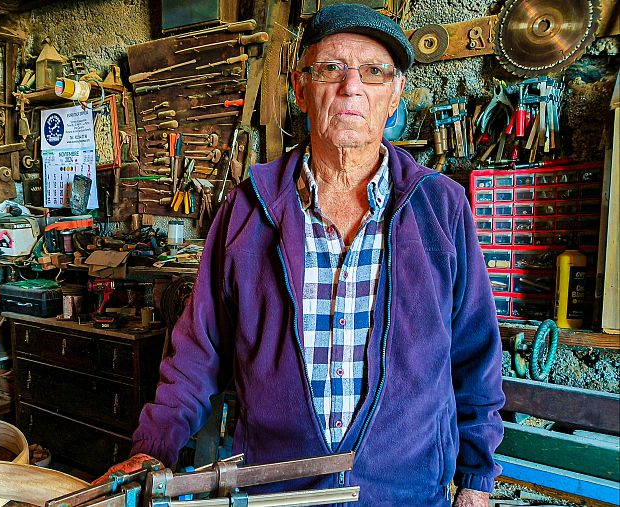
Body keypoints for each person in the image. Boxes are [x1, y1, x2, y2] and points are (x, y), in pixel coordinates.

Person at [115, 4, 505, 507]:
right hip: (271, 492)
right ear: (301, 89)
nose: (351, 87)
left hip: (404, 491)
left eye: (374, 72)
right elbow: (198, 349)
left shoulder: (440, 206)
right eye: (330, 69)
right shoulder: (249, 208)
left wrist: (476, 479)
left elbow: (475, 355)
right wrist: (155, 448)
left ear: (395, 95)